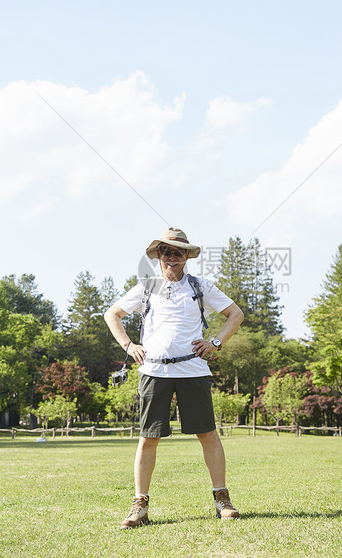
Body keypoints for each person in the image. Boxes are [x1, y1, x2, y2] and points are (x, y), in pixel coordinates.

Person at [104, 227, 245, 529]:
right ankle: (139, 506)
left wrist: (215, 342)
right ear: (158, 255)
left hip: (193, 370)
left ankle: (222, 499)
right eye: (166, 251)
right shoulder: (146, 287)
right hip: (153, 371)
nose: (171, 256)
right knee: (148, 439)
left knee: (207, 433)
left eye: (178, 252)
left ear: (186, 256)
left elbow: (236, 314)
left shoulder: (201, 286)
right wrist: (129, 346)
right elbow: (111, 314)